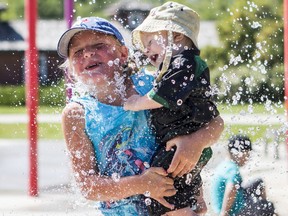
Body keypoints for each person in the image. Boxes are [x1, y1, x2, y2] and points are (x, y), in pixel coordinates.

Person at [57, 16, 224, 215]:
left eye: (99, 45)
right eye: (77, 52)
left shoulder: (154, 87)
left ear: (123, 53)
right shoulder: (77, 114)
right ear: (70, 70)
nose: (88, 53)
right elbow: (88, 186)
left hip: (173, 206)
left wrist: (194, 143)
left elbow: (215, 123)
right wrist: (141, 184)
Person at [123, 2, 219, 215]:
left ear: (176, 36)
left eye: (150, 42)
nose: (146, 50)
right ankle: (195, 202)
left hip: (178, 149)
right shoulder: (181, 65)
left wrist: (136, 102)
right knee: (179, 191)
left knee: (165, 199)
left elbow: (164, 94)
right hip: (184, 146)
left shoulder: (185, 63)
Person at [210, 134, 277, 216]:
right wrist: (224, 213)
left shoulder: (225, 165)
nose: (248, 158)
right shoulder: (233, 170)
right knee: (267, 206)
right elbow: (232, 188)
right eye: (247, 154)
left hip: (233, 202)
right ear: (240, 153)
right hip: (234, 211)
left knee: (259, 183)